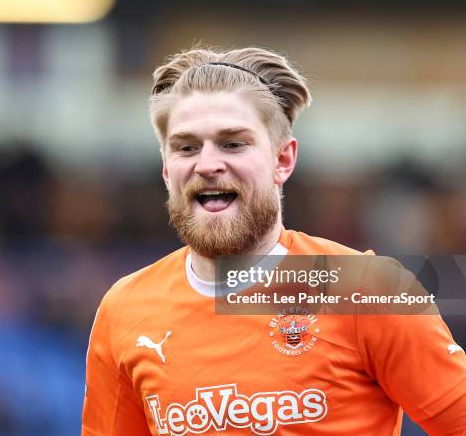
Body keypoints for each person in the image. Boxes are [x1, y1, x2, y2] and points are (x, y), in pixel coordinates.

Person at [81, 46, 466, 435]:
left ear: (283, 160)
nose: (208, 164)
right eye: (186, 147)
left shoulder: (368, 288)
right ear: (167, 169)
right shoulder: (125, 309)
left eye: (233, 143)